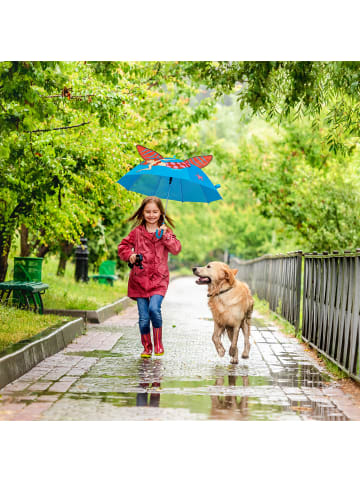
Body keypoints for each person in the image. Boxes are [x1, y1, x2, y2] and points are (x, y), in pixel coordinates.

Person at [118, 196, 181, 358]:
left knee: (154, 309)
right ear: (142, 213)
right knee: (144, 318)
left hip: (159, 280)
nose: (151, 215)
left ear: (161, 213)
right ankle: (147, 347)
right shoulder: (137, 232)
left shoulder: (166, 231)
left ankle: (159, 343)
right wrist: (130, 255)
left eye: (155, 211)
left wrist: (166, 235)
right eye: (148, 212)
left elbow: (176, 249)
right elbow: (123, 246)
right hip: (139, 280)